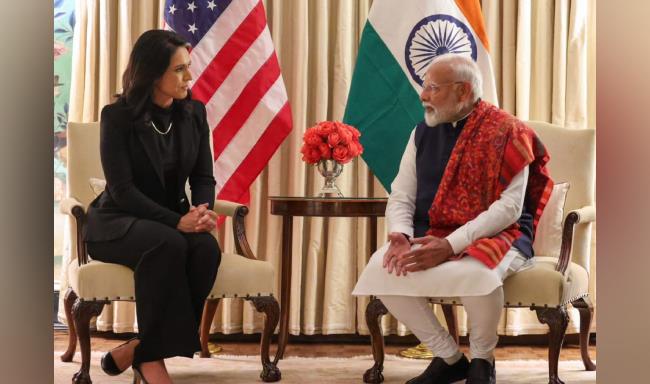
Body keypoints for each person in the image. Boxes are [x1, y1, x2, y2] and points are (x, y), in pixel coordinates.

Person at [352, 54, 553, 384]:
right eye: (425, 86)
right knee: (382, 269)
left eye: (433, 87)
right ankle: (449, 357)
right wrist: (400, 234)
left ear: (462, 91)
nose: (423, 96)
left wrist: (450, 245)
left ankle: (483, 361)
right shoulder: (421, 133)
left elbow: (509, 209)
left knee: (477, 271)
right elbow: (401, 194)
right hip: (432, 230)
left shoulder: (508, 132)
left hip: (502, 233)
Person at [84, 30, 221, 384]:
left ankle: (143, 348)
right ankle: (150, 363)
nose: (188, 77)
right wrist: (179, 222)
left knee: (206, 249)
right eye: (178, 70)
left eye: (187, 68)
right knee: (169, 242)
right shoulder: (117, 117)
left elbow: (204, 176)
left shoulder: (194, 113)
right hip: (117, 222)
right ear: (152, 73)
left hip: (169, 221)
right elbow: (123, 190)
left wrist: (202, 212)